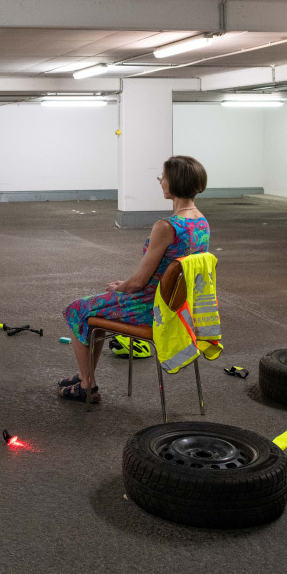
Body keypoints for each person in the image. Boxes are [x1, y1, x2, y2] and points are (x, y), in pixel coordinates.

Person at [58, 155, 210, 402]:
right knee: (95, 311)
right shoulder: (202, 223)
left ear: (174, 183)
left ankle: (87, 385)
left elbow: (139, 283)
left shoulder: (166, 226)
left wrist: (123, 287)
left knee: (77, 310)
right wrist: (125, 285)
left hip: (151, 308)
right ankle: (85, 375)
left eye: (163, 177)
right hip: (178, 306)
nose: (161, 181)